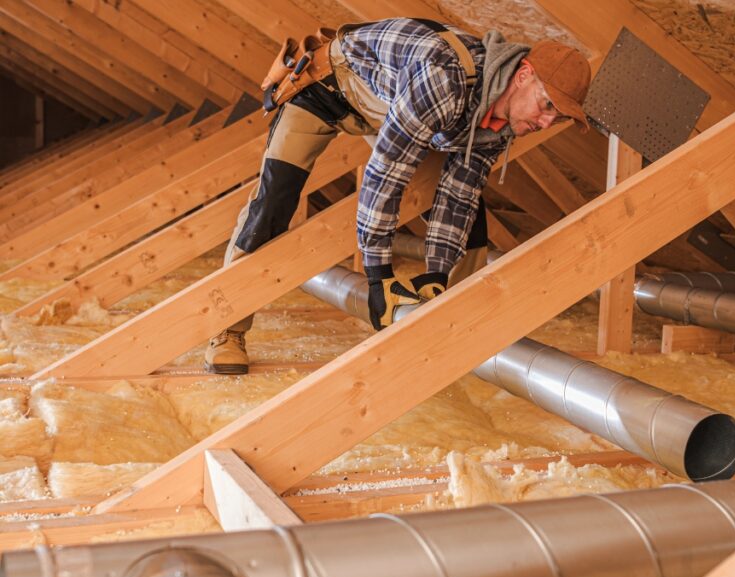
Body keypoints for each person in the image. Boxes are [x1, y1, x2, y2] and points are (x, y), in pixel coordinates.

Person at [203, 17, 591, 375]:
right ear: (523, 75)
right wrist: (378, 277)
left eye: (556, 119)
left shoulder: (502, 120)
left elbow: (458, 194)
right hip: (326, 89)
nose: (545, 123)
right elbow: (386, 173)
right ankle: (227, 330)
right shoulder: (446, 78)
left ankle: (450, 325)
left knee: (472, 217)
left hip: (389, 107)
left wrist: (435, 275)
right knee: (273, 202)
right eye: (547, 107)